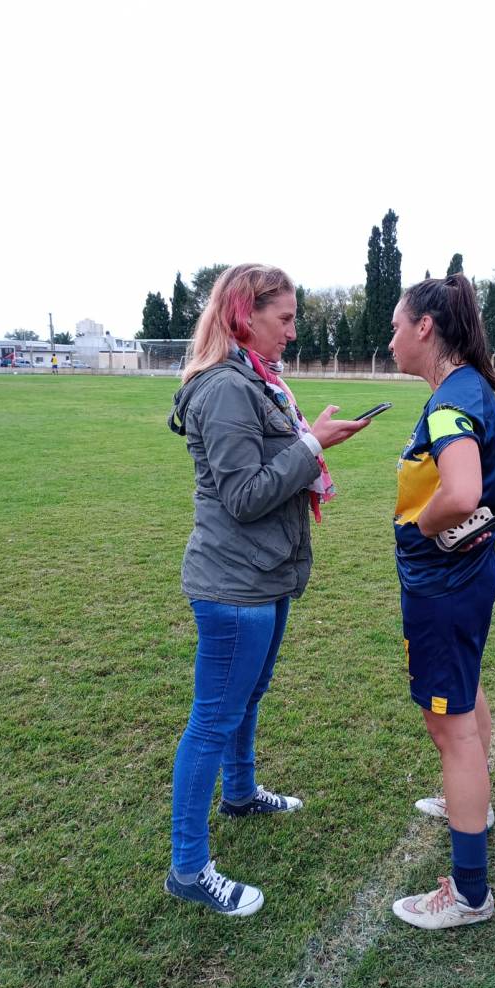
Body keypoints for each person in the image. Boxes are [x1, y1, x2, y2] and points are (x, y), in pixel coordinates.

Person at [164, 263, 368, 917]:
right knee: (212, 719)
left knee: (245, 696)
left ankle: (242, 792)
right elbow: (246, 494)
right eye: (284, 318)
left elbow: (269, 470)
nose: (292, 332)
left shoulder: (260, 380)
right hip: (233, 583)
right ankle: (189, 867)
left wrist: (311, 435)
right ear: (243, 314)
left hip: (264, 573)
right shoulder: (226, 387)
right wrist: (311, 443)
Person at [388, 273, 495, 930]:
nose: (390, 338)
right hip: (469, 576)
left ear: (425, 328)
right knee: (465, 698)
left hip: (445, 586)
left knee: (451, 727)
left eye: (396, 325)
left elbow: (463, 493)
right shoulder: (468, 388)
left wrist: (421, 526)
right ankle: (477, 806)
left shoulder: (449, 402)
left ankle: (469, 893)